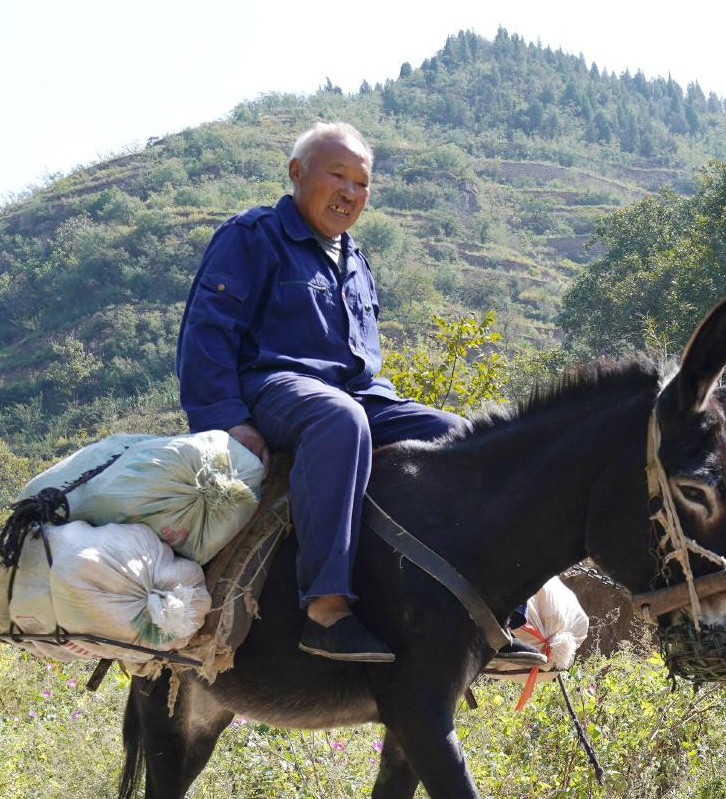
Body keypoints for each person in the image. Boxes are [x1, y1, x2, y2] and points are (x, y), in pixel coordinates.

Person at [175, 121, 543, 668]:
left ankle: (495, 615)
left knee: (468, 437)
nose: (350, 192)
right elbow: (206, 333)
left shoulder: (355, 259)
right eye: (338, 176)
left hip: (360, 393)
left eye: (362, 183)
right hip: (275, 385)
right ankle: (326, 610)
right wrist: (229, 418)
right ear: (297, 173)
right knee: (339, 418)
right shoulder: (252, 237)